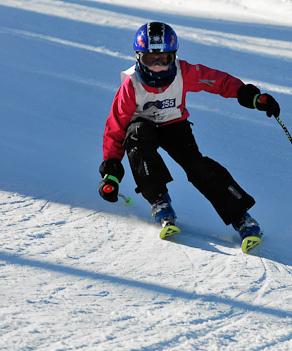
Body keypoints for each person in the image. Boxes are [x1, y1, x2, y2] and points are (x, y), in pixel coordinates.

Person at [98, 21, 280, 245]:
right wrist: (112, 171)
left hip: (174, 125)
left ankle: (241, 218)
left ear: (173, 56)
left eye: (163, 59)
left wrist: (249, 95)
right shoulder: (131, 85)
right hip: (143, 125)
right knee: (136, 139)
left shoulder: (184, 73)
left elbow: (217, 82)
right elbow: (116, 127)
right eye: (150, 59)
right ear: (139, 58)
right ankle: (159, 201)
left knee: (198, 167)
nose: (157, 67)